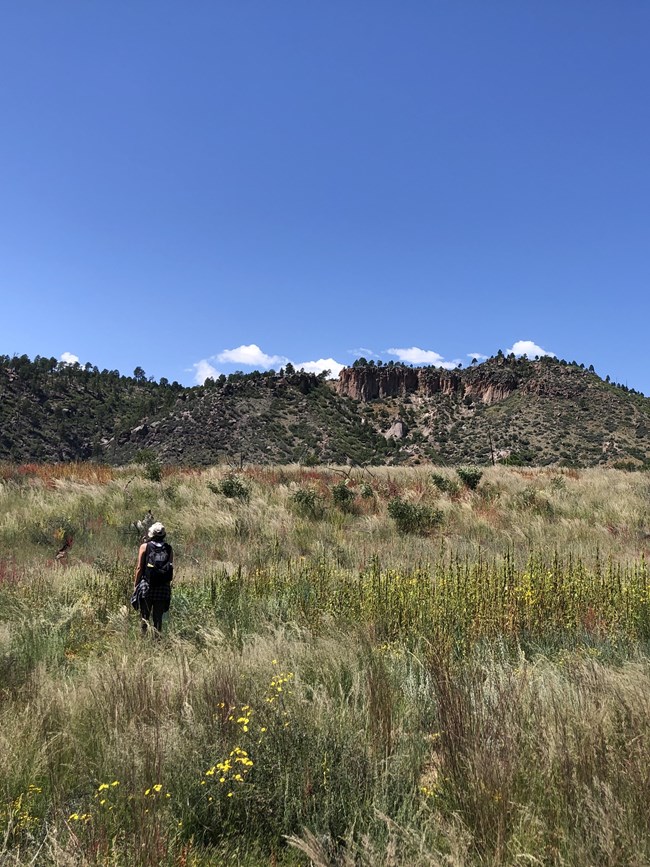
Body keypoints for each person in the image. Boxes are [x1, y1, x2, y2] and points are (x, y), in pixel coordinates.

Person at [134, 522, 173, 636]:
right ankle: (157, 643)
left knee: (144, 617)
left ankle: (143, 640)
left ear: (151, 534)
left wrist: (136, 585)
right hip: (163, 587)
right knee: (158, 619)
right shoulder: (169, 548)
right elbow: (170, 568)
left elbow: (139, 568)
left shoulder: (145, 547)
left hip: (147, 585)